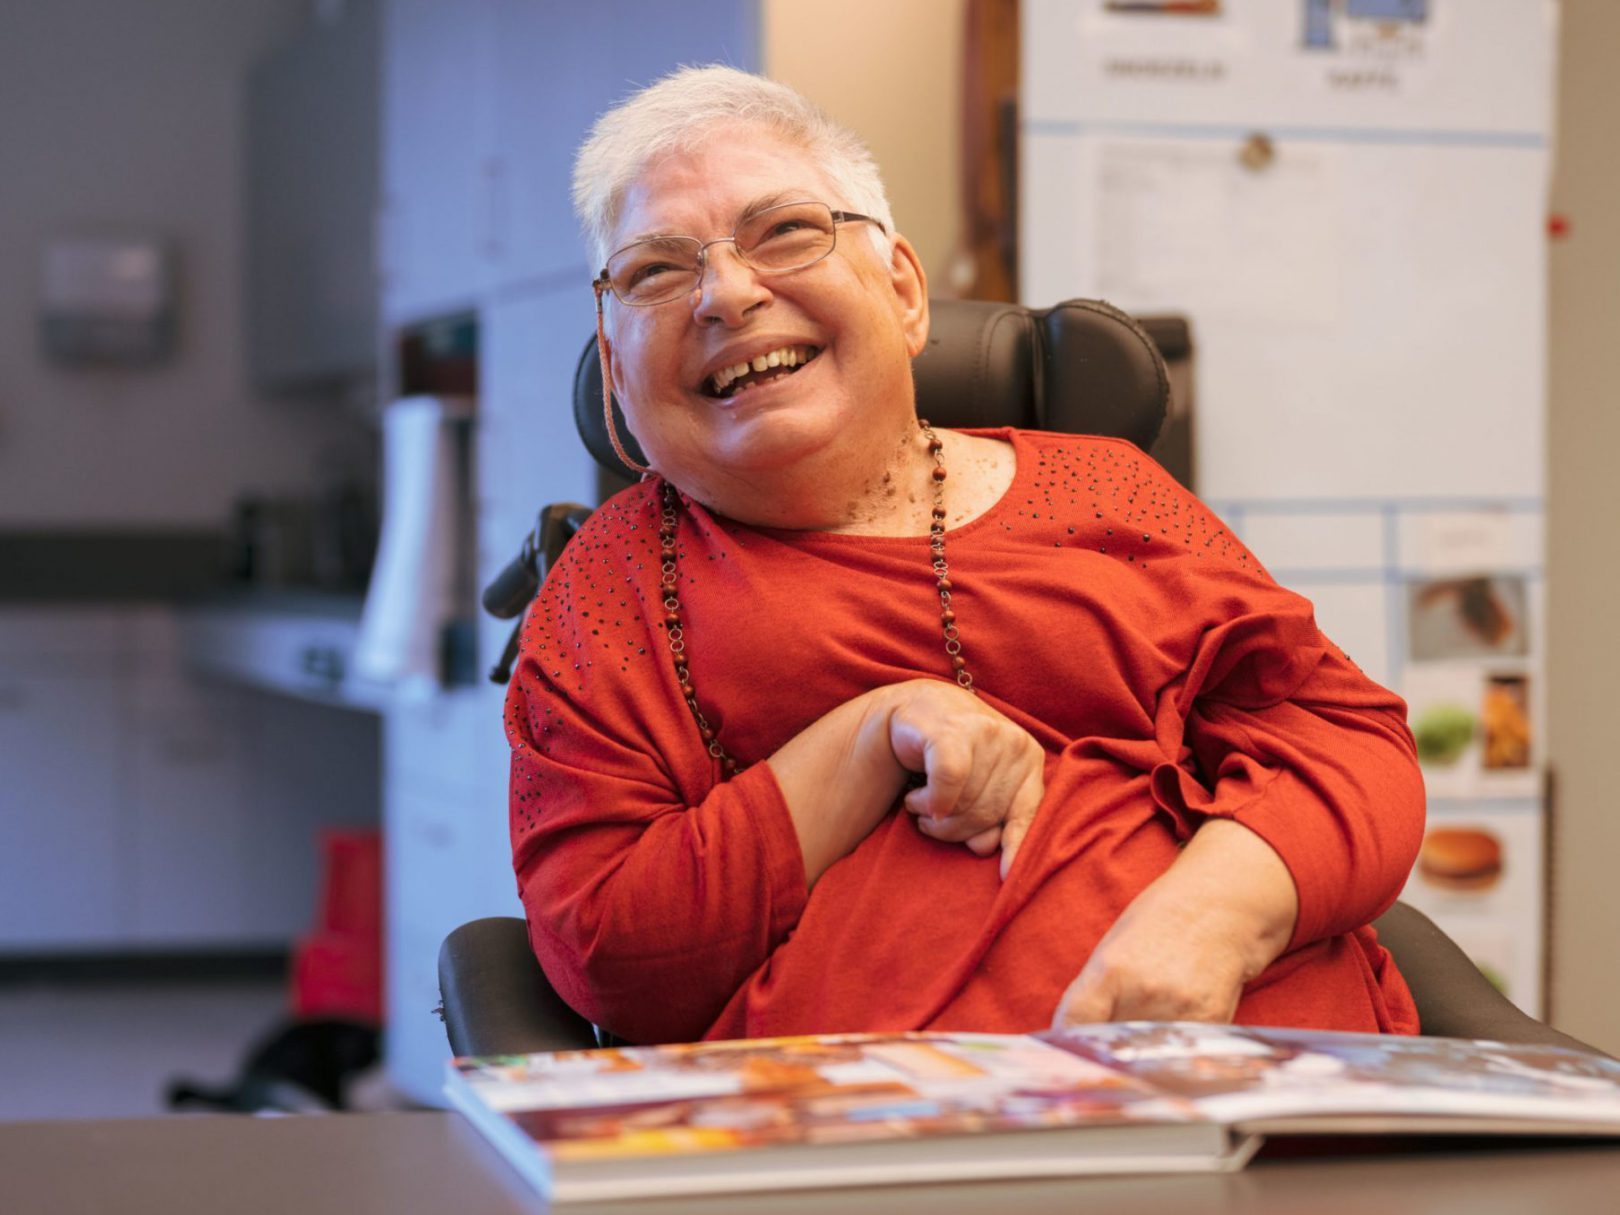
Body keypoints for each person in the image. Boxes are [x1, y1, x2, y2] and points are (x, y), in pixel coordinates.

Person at [505, 65, 1426, 1046]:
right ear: (614, 376)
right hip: (880, 1149)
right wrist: (870, 740)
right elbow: (604, 950)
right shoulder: (605, 593)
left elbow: (1347, 745)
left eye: (785, 233)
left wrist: (1211, 921)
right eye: (656, 271)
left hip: (1278, 1109)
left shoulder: (1110, 490)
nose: (727, 292)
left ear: (903, 291)